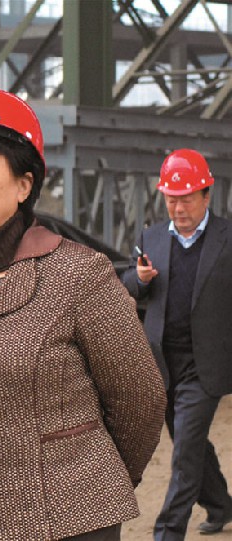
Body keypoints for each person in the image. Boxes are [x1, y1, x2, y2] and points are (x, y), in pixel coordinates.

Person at [0, 88, 167, 541]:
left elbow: (140, 400)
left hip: (73, 523)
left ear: (24, 184)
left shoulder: (79, 274)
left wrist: (90, 485)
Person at [122, 149, 232, 540]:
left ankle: (168, 533)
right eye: (171, 199)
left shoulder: (227, 239)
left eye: (186, 199)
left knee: (185, 451)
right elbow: (129, 284)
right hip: (163, 364)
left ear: (206, 195)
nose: (178, 208)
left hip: (207, 364)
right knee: (191, 444)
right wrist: (140, 279)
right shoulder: (151, 237)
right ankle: (221, 505)